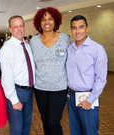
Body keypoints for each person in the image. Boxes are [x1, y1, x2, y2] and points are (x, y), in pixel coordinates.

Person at [29, 7, 71, 135]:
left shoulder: (65, 39)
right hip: (40, 88)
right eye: (43, 19)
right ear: (39, 23)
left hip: (59, 87)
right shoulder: (34, 41)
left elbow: (72, 60)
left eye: (50, 19)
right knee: (45, 121)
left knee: (53, 121)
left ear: (55, 21)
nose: (47, 22)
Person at [66, 15, 108, 135]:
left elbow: (101, 79)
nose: (77, 31)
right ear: (71, 30)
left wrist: (89, 100)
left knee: (90, 131)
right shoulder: (70, 49)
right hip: (71, 97)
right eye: (74, 28)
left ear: (87, 28)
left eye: (81, 27)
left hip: (88, 96)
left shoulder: (97, 49)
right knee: (75, 131)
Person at [0, 15, 35, 135]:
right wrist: (14, 100)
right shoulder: (7, 49)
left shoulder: (27, 46)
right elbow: (6, 78)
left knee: (26, 127)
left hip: (29, 92)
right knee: (17, 129)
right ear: (10, 29)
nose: (19, 29)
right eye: (15, 27)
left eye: (21, 26)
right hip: (16, 92)